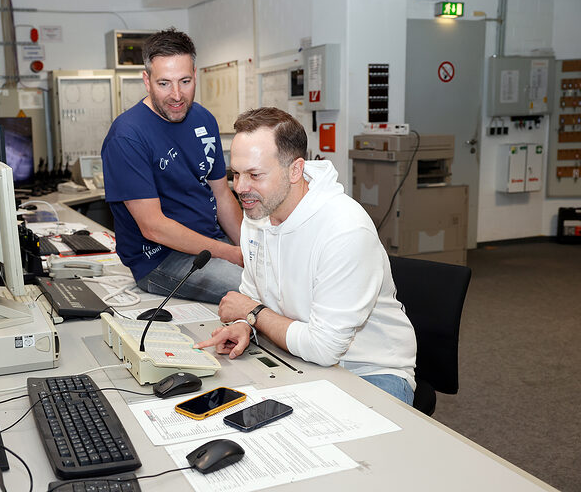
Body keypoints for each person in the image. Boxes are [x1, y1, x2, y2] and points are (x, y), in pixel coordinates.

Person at [194, 107, 417, 405]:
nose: (240, 188)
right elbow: (253, 293)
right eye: (235, 173)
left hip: (370, 373)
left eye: (254, 174)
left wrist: (253, 314)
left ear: (295, 170)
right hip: (299, 360)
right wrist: (243, 325)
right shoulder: (258, 212)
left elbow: (324, 348)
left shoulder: (344, 228)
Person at [101, 28, 243, 304]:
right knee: (257, 291)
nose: (177, 95)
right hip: (161, 260)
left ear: (195, 76)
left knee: (283, 278)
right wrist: (231, 255)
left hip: (211, 245)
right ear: (147, 80)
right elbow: (154, 227)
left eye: (185, 81)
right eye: (164, 83)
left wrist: (246, 248)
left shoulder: (204, 119)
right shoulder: (127, 136)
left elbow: (222, 194)